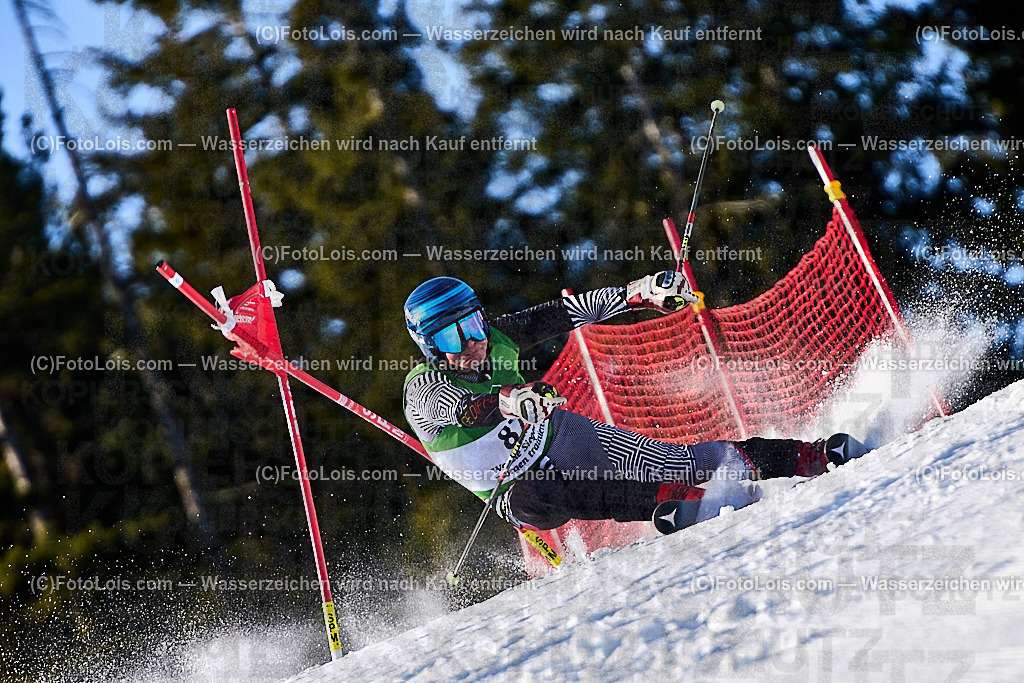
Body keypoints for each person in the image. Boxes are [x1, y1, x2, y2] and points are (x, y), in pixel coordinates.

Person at [402, 273, 864, 533]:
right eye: (450, 335)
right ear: (429, 346)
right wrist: (512, 398)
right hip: (515, 490)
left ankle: (811, 455)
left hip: (556, 436)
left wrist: (639, 293)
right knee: (549, 495)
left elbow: (568, 311)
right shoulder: (422, 388)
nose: (471, 343)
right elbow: (463, 407)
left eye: (475, 326)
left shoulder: (500, 336)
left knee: (686, 460)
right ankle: (667, 504)